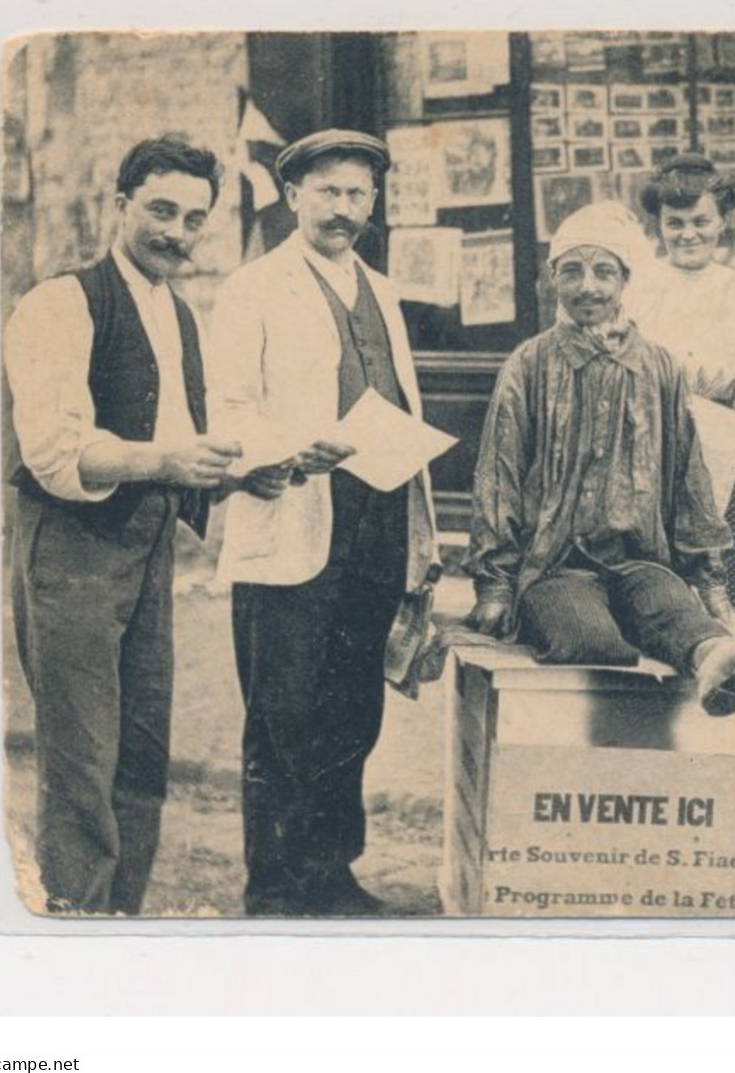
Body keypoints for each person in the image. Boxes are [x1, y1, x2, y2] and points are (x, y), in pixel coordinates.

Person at [207, 129, 438, 917]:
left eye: (358, 194)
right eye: (329, 192)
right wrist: (289, 447)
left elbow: (399, 401)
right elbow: (228, 408)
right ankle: (274, 889)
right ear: (294, 194)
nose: (344, 209)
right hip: (292, 527)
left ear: (374, 203)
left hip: (374, 527)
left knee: (351, 714)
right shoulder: (253, 289)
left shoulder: (381, 288)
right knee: (283, 719)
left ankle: (332, 874)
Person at [6, 136, 236, 914]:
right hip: (72, 545)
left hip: (148, 543)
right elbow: (53, 451)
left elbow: (171, 438)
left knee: (141, 752)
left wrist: (240, 469)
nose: (177, 232)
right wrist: (168, 460)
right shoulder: (60, 303)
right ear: (120, 205)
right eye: (161, 210)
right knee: (82, 760)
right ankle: (73, 925)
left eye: (193, 218)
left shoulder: (177, 313)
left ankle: (120, 919)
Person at [464, 204, 735, 718]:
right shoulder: (528, 364)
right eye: (572, 270)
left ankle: (718, 669)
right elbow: (498, 478)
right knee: (592, 639)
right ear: (552, 279)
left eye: (603, 271)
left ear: (625, 281)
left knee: (680, 616)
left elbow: (690, 481)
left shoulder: (659, 366)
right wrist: (494, 584)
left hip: (640, 558)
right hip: (554, 565)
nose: (588, 287)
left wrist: (708, 580)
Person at [632, 153, 735, 816]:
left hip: (729, 460)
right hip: (656, 458)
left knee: (732, 595)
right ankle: (673, 765)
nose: (687, 234)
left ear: (722, 221)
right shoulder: (641, 285)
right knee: (665, 596)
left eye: (699, 221)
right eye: (675, 222)